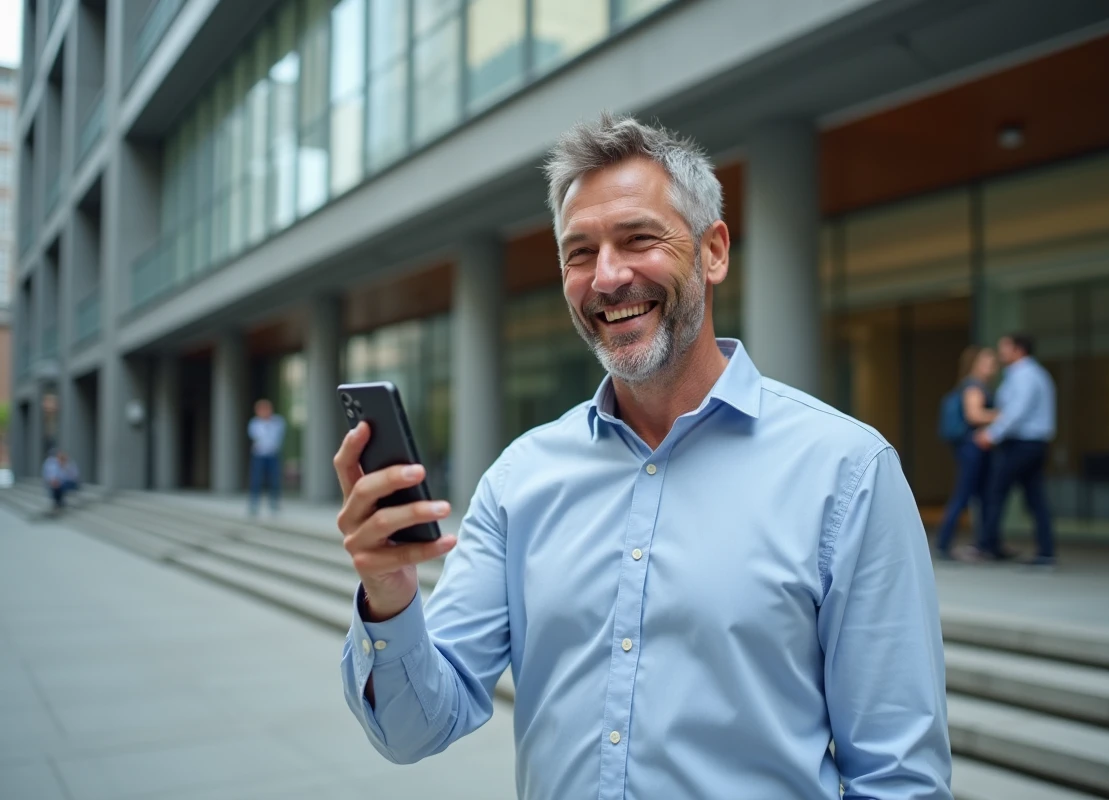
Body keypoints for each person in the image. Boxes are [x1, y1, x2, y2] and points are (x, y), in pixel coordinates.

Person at [335, 114, 951, 799]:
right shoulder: (519, 480)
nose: (607, 277)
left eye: (638, 240)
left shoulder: (849, 474)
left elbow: (900, 779)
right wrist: (389, 597)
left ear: (713, 252)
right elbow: (414, 729)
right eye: (579, 252)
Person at [975, 333, 1057, 567]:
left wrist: (991, 435)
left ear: (1018, 350)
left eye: (1005, 348)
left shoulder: (1025, 376)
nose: (1001, 353)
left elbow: (1016, 412)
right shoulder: (1031, 374)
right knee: (1035, 498)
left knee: (995, 492)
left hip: (1023, 444)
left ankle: (987, 545)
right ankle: (1046, 551)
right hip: (1032, 444)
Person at [934, 346, 998, 560]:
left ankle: (986, 543)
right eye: (988, 362)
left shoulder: (974, 385)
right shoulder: (974, 386)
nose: (993, 366)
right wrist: (1005, 415)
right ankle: (944, 543)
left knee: (980, 495)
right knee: (964, 495)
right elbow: (974, 415)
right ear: (975, 364)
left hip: (972, 448)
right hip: (973, 448)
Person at [247, 399, 286, 516]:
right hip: (259, 454)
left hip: (272, 454)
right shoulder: (255, 423)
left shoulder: (278, 422)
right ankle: (254, 504)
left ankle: (274, 503)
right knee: (256, 479)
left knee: (274, 479)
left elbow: (277, 437)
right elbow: (257, 437)